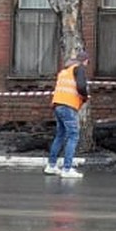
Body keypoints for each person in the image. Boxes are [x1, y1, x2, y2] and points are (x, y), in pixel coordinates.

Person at [44, 49, 90, 179]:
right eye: (87, 62)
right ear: (85, 61)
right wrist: (85, 97)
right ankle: (67, 168)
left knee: (61, 135)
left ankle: (51, 166)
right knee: (73, 136)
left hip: (58, 105)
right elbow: (81, 87)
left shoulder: (64, 71)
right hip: (68, 106)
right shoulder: (79, 68)